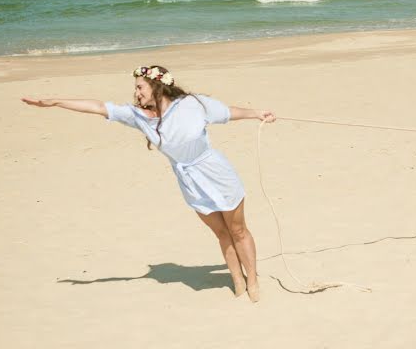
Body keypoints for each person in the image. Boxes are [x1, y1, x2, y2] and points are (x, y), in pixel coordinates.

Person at [22, 65, 275, 302]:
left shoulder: (192, 104)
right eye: (136, 88)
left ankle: (252, 279)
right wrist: (55, 102)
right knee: (221, 232)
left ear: (157, 87)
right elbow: (99, 107)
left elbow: (228, 113)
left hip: (215, 172)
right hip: (190, 181)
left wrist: (256, 114)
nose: (136, 93)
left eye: (140, 87)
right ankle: (236, 280)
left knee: (238, 230)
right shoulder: (138, 117)